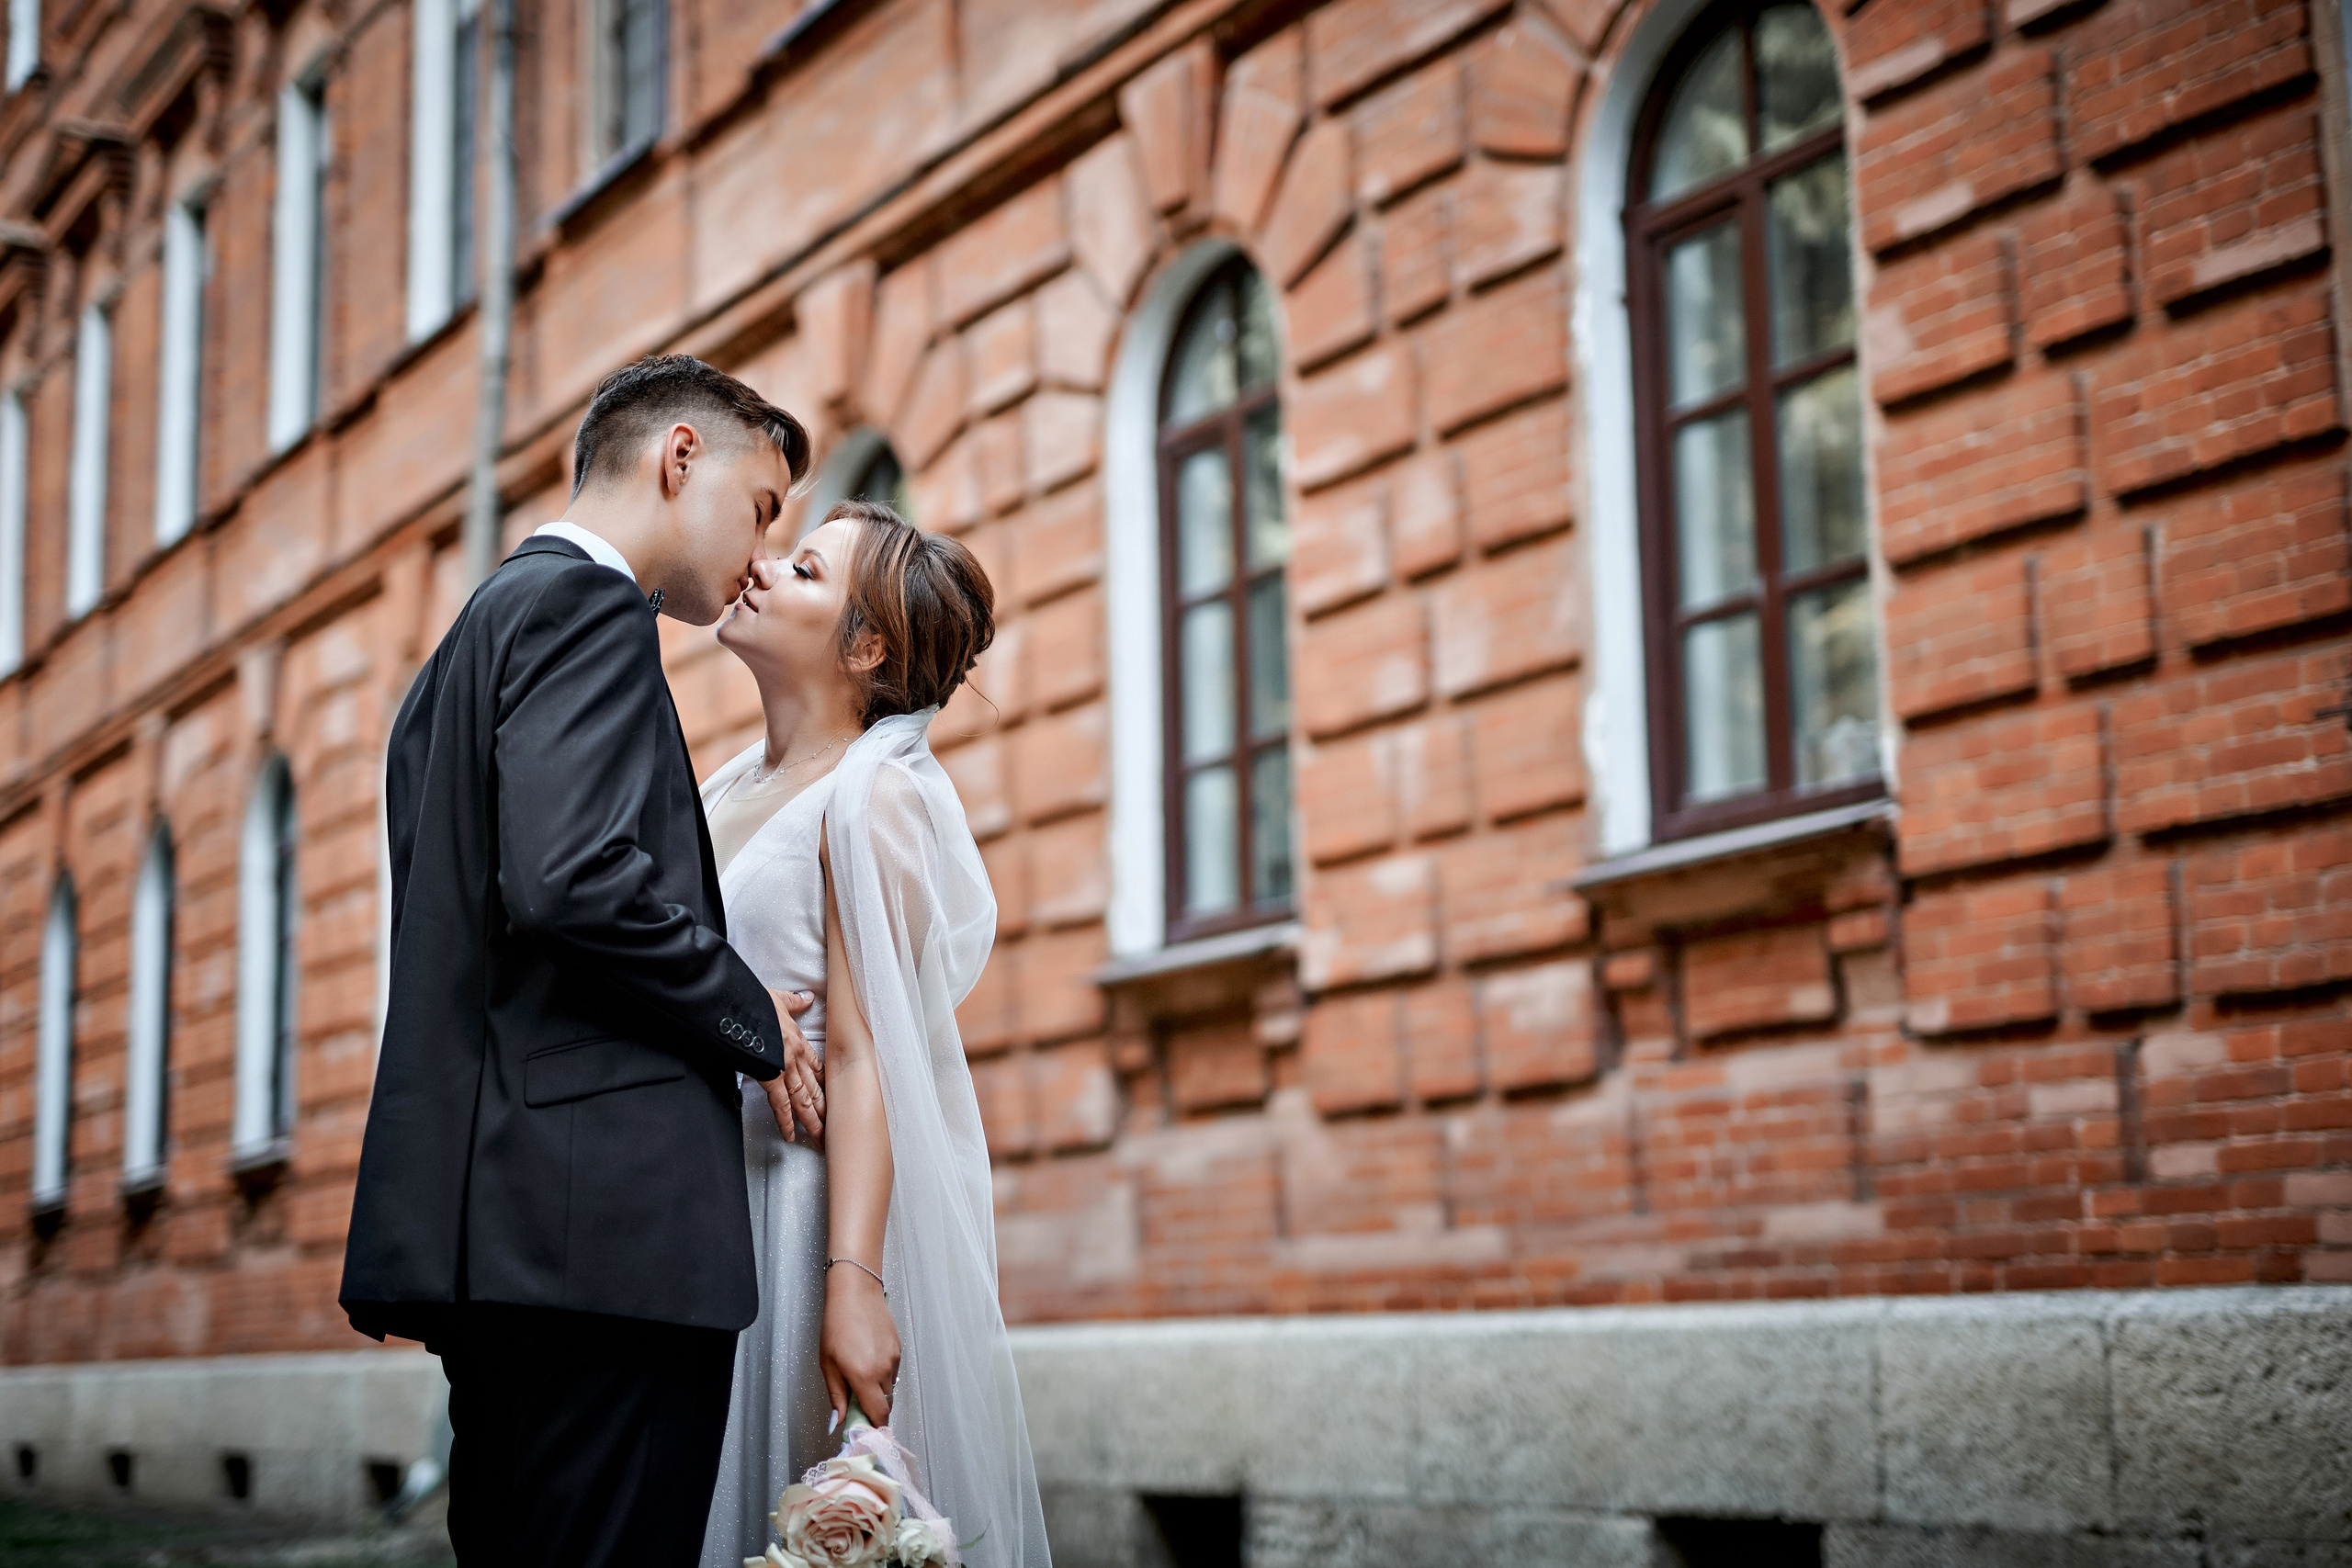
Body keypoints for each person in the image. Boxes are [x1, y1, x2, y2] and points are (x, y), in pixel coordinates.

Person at [340, 355, 831, 1568]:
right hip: (603, 1243)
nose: (765, 550)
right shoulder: (586, 610)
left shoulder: (469, 640)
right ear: (679, 460)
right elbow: (571, 878)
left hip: (500, 1232)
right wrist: (749, 1015)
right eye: (762, 506)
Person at [695, 498, 1049, 1568]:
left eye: (802, 570)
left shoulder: (870, 799)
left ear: (865, 646)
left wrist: (851, 1278)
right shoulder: (720, 787)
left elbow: (865, 1054)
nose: (757, 569)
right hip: (699, 1206)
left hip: (795, 1209)